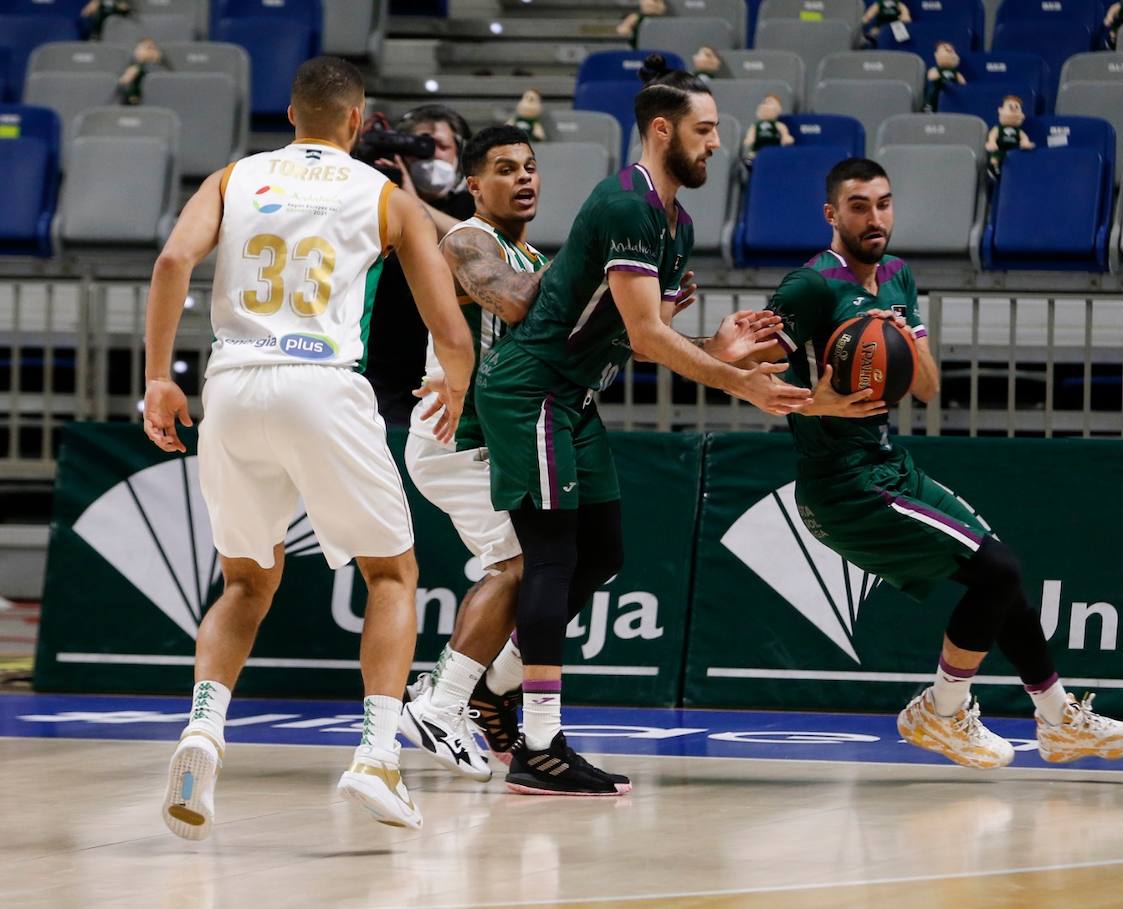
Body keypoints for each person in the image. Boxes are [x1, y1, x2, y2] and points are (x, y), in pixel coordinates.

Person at [141, 56, 474, 838]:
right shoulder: (387, 197)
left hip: (232, 382)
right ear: (356, 123)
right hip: (323, 384)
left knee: (246, 585)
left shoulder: (234, 177)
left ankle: (202, 731)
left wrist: (159, 377)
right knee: (392, 573)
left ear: (291, 116)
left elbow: (170, 262)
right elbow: (446, 323)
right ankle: (374, 755)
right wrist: (456, 381)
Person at [473, 54, 812, 796]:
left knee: (603, 550)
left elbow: (645, 330)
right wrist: (739, 383)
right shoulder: (625, 204)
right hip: (531, 390)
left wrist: (723, 349)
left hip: (572, 397)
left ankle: (494, 685)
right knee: (553, 555)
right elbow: (653, 338)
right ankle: (537, 743)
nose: (717, 143)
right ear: (662, 131)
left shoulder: (676, 222)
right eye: (704, 129)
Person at [759, 158, 1123, 770]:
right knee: (996, 570)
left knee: (1001, 577)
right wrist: (822, 401)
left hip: (890, 464)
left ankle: (1058, 722)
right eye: (860, 205)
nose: (875, 217)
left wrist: (903, 338)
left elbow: (927, 387)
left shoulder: (896, 276)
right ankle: (941, 713)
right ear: (831, 214)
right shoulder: (809, 286)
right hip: (843, 485)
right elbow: (755, 378)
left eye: (884, 203)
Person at [396, 125, 551, 780]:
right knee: (516, 565)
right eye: (506, 168)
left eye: (530, 167)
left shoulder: (532, 255)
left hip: (501, 437)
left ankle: (476, 687)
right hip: (454, 435)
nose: (523, 178)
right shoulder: (468, 244)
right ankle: (444, 699)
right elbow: (517, 303)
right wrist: (608, 279)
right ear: (475, 185)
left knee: (567, 568)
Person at [364, 104, 476, 425]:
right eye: (420, 147)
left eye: (442, 146)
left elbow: (467, 244)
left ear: (460, 153)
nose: (432, 156)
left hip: (446, 365)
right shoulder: (380, 199)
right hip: (383, 364)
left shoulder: (470, 202)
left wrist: (410, 200)